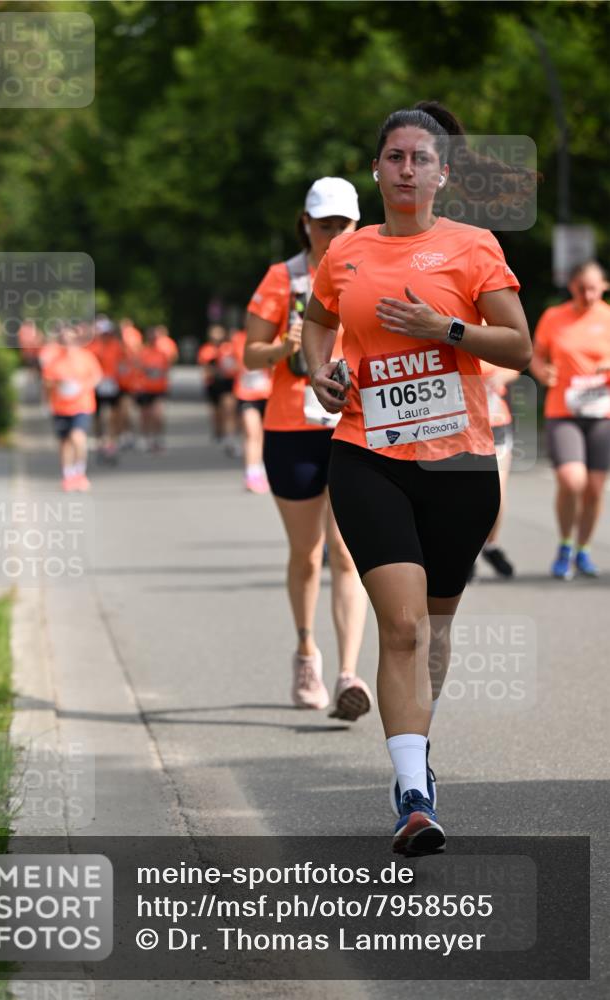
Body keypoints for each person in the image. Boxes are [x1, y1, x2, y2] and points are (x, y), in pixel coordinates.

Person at [302, 104, 532, 854]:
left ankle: (414, 745)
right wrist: (319, 375)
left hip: (459, 464)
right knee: (399, 626)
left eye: (419, 159)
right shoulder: (347, 252)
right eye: (393, 156)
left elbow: (519, 347)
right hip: (368, 454)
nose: (405, 169)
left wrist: (446, 330)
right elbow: (315, 319)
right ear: (376, 168)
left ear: (442, 174)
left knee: (432, 630)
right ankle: (410, 793)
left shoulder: (472, 248)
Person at [244, 177, 371, 722]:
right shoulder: (283, 278)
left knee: (347, 551)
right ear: (306, 223)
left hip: (355, 424)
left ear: (357, 224)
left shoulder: (371, 270)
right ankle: (305, 652)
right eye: (324, 225)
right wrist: (282, 347)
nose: (333, 234)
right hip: (293, 427)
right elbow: (249, 354)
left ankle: (349, 674)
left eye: (343, 224)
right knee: (308, 553)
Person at [531, 260, 610, 578]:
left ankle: (583, 549)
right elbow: (535, 355)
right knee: (572, 480)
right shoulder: (554, 317)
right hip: (563, 411)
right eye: (581, 288)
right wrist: (541, 371)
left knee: (593, 488)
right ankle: (565, 543)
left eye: (593, 288)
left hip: (602, 412)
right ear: (571, 287)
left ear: (604, 286)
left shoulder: (607, 317)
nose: (587, 295)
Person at [471, 360, 520, 578]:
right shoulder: (442, 329)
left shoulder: (492, 326)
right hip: (457, 427)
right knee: (460, 495)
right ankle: (465, 553)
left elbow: (517, 359)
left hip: (495, 423)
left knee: (496, 495)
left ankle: (490, 545)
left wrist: (501, 376)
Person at [41, 324, 102, 491]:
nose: (67, 341)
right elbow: (46, 381)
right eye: (64, 338)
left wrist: (82, 386)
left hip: (82, 404)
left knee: (78, 436)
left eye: (71, 338)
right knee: (65, 442)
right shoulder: (54, 360)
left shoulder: (86, 357)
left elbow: (96, 376)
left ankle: (80, 473)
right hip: (61, 407)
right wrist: (57, 388)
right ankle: (68, 475)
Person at [230, 327, 272, 493]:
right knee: (252, 432)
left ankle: (262, 468)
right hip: (247, 394)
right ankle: (251, 473)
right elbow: (235, 364)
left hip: (270, 394)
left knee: (265, 435)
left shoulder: (274, 336)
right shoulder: (238, 339)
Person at [197, 324, 240, 454]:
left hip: (227, 383)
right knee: (216, 411)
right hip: (213, 383)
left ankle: (230, 437)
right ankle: (218, 432)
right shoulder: (206, 349)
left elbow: (237, 364)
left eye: (219, 333)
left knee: (228, 410)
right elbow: (205, 368)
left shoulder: (230, 348)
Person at [132, 326, 172, 451]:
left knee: (157, 414)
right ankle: (145, 437)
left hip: (159, 388)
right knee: (145, 415)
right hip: (144, 388)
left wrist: (166, 383)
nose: (154, 340)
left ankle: (158, 437)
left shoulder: (162, 353)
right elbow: (136, 370)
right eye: (151, 337)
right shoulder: (142, 353)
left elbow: (166, 371)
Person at [89, 317, 124, 462]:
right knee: (98, 416)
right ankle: (99, 441)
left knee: (112, 415)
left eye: (107, 332)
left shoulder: (116, 345)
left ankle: (111, 442)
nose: (106, 335)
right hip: (97, 384)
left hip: (113, 384)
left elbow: (123, 363)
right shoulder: (92, 346)